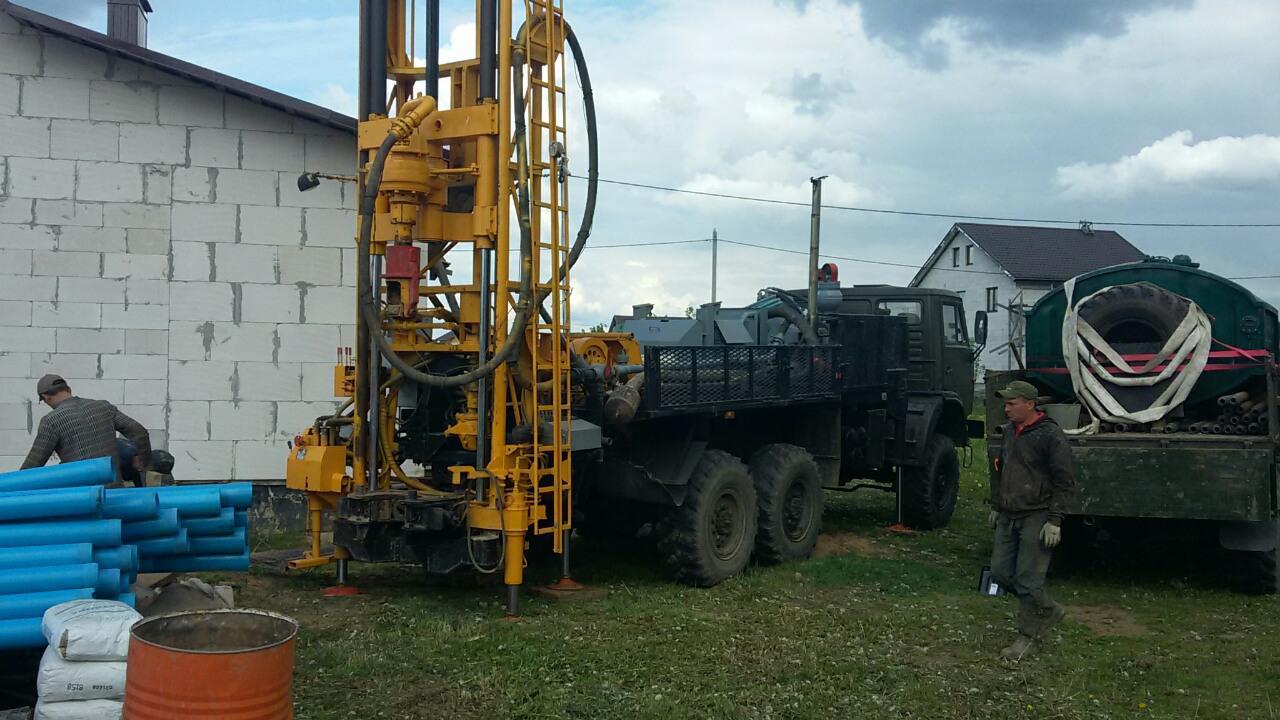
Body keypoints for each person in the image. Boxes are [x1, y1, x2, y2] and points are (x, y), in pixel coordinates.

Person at [989, 380, 1075, 661]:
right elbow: (1000, 469)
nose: (1007, 408)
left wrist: (1055, 520)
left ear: (1030, 403)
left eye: (1012, 403)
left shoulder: (1050, 435)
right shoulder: (1011, 432)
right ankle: (1048, 609)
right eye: (1005, 403)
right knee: (1000, 573)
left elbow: (1064, 481)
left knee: (1028, 579)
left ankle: (1026, 637)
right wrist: (997, 504)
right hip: (1009, 513)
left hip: (1036, 514)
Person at [21, 374, 151, 487]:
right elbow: (140, 432)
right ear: (69, 390)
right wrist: (143, 462)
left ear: (46, 397)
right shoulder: (104, 407)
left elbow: (33, 466)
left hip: (81, 497)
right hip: (114, 490)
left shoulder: (51, 421)